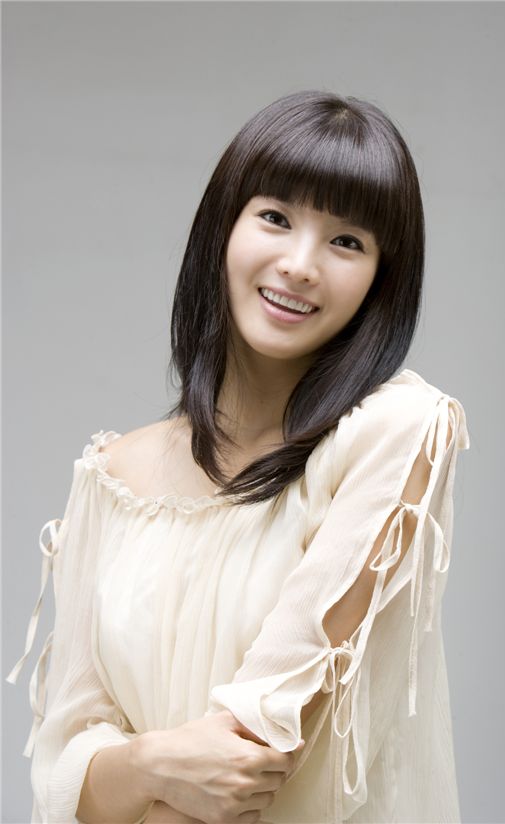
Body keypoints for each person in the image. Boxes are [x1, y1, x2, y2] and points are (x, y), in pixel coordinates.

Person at [6, 89, 470, 823]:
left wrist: (138, 775)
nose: (300, 265)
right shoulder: (112, 474)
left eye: (347, 241)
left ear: (383, 277)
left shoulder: (398, 432)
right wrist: (152, 765)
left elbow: (263, 740)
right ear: (224, 227)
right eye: (276, 218)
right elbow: (65, 775)